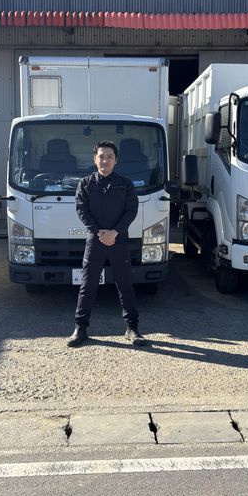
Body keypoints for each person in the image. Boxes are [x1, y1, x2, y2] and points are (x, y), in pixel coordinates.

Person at [67, 140, 146, 348]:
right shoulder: (86, 184)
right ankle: (80, 328)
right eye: (101, 156)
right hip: (95, 241)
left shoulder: (125, 184)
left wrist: (115, 232)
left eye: (109, 157)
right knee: (87, 286)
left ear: (116, 160)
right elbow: (81, 210)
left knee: (125, 285)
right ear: (95, 159)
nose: (105, 160)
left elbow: (131, 211)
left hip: (119, 240)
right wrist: (99, 232)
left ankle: (132, 328)